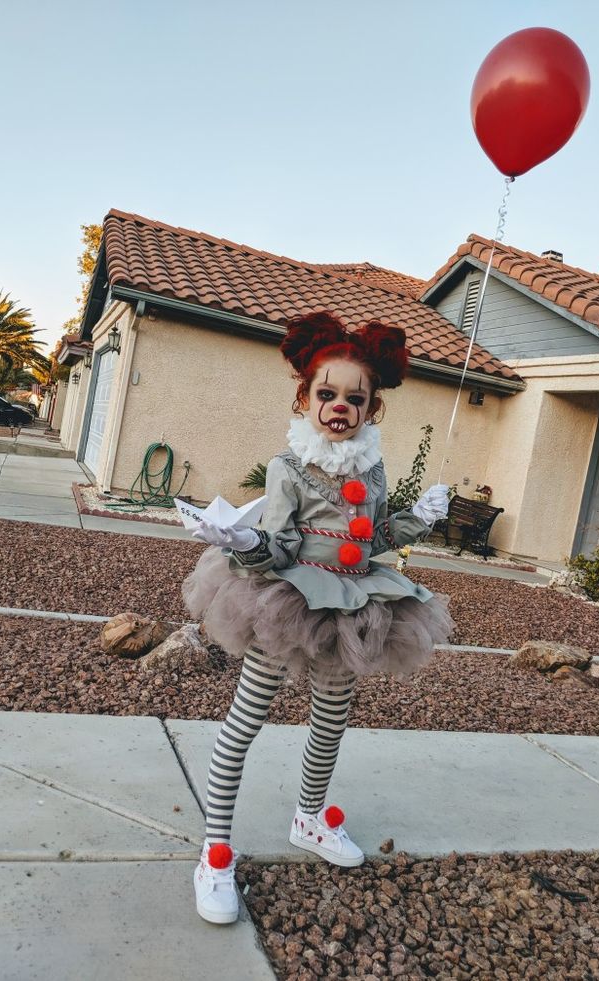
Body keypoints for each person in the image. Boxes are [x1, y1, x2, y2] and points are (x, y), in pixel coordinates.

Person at [182, 310, 454, 924]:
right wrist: (246, 546)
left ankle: (310, 817)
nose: (340, 407)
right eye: (326, 394)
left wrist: (422, 517)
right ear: (305, 397)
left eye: (354, 399)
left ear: (371, 409)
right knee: (246, 721)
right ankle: (215, 851)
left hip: (356, 607)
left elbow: (377, 535)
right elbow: (279, 545)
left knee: (330, 723)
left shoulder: (374, 468)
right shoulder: (289, 467)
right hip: (289, 604)